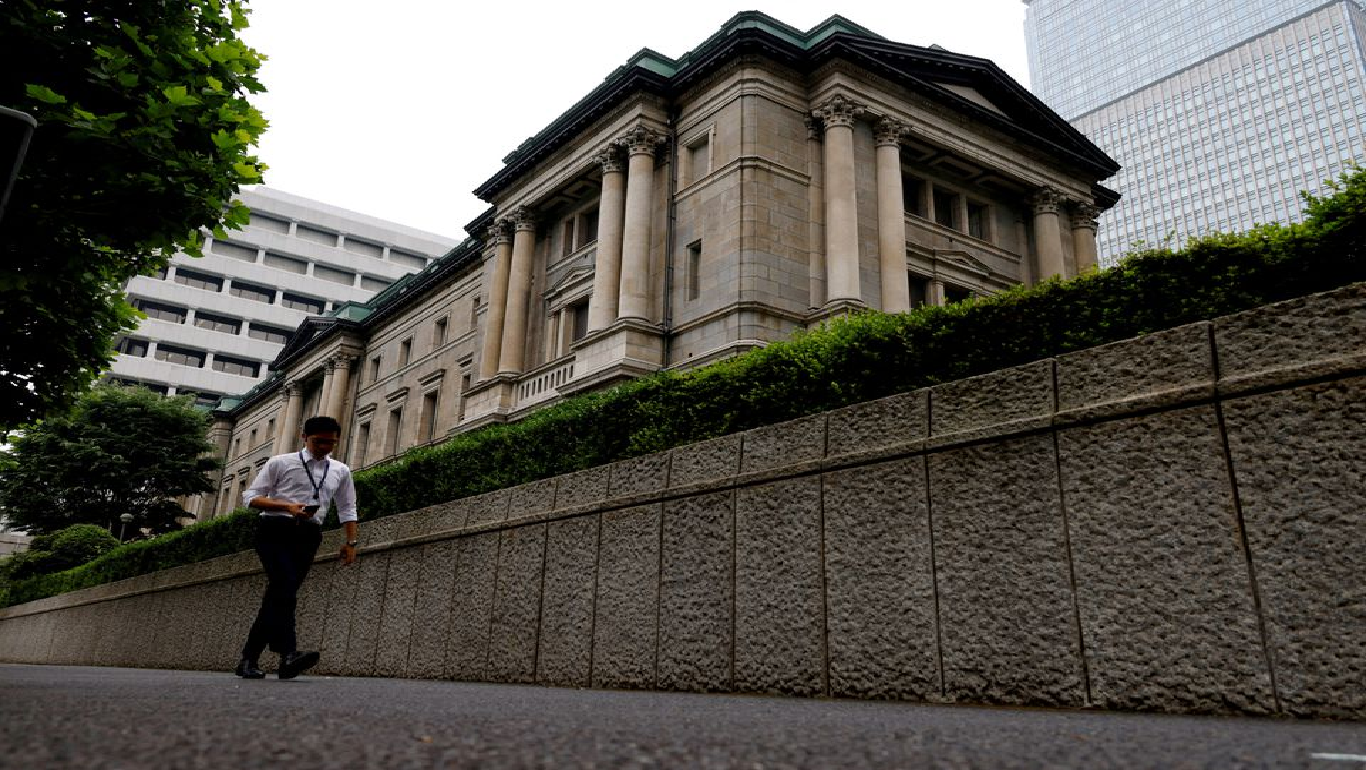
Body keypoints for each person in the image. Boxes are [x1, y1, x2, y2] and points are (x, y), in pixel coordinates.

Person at [234, 415, 360, 679]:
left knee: (280, 593)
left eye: (330, 442)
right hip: (274, 529)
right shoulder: (280, 463)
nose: (324, 447)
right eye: (318, 441)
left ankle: (250, 659)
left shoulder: (340, 470)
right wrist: (287, 506)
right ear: (304, 438)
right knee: (284, 586)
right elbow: (250, 497)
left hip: (309, 535)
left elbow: (348, 508)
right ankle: (288, 652)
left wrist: (350, 542)